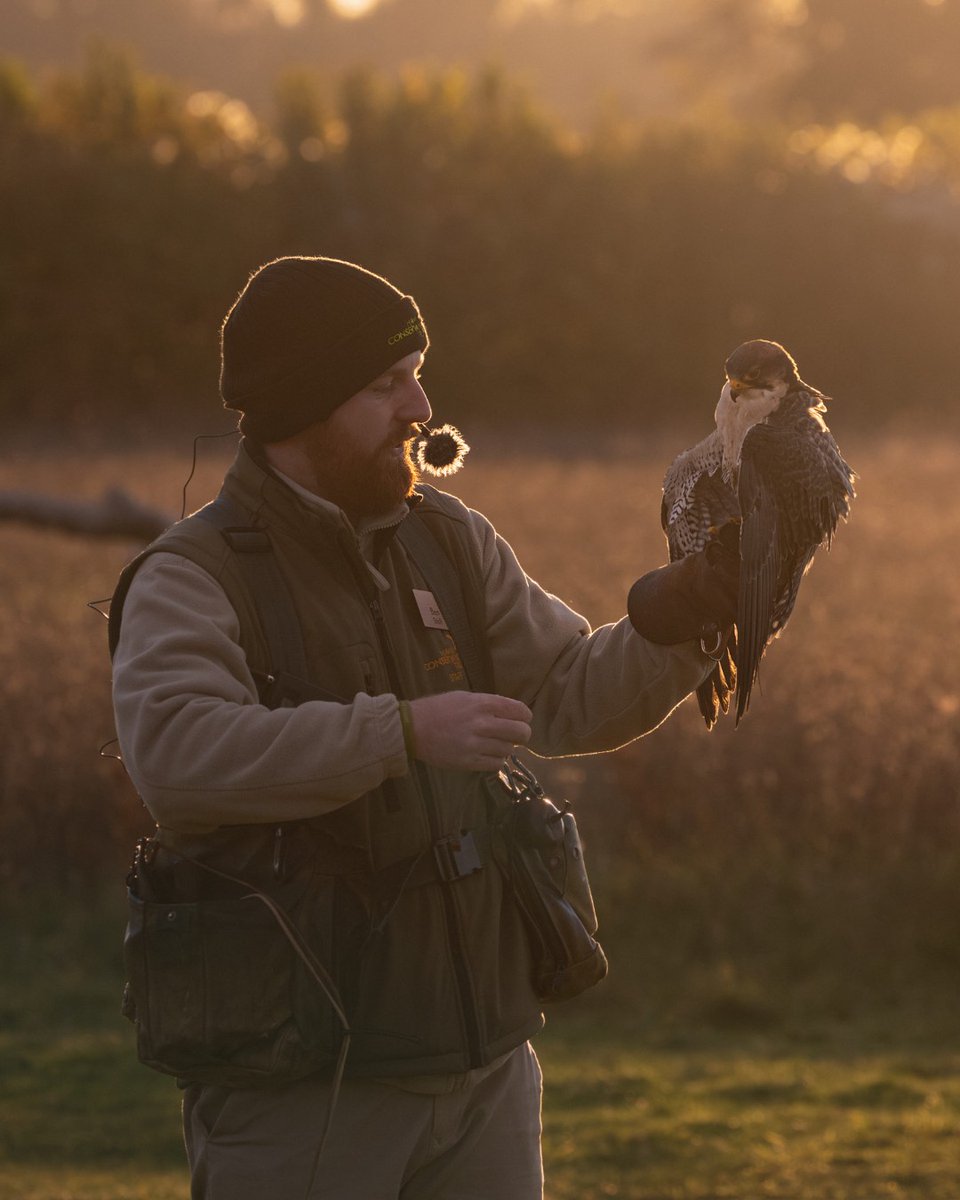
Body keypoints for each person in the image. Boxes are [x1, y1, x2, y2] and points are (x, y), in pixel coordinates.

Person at [110, 255, 738, 1200]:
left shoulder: (449, 538)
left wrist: (693, 607)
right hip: (303, 1085)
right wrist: (400, 733)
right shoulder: (192, 576)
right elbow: (179, 756)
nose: (420, 406)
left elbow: (567, 692)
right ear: (300, 408)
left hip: (484, 1063)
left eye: (415, 375)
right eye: (385, 384)